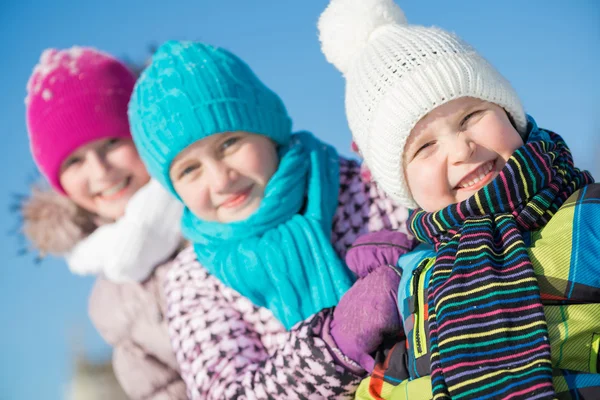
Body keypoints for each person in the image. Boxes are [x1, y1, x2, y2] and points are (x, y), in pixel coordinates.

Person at [318, 0, 600, 398]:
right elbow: (384, 385)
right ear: (404, 186)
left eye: (471, 117)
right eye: (425, 147)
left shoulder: (587, 217)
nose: (460, 149)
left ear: (509, 113)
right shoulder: (416, 277)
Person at [127, 40, 413, 398]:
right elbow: (228, 392)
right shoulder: (195, 279)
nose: (220, 179)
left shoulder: (366, 188)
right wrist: (333, 347)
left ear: (268, 131)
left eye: (229, 143)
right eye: (189, 170)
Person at [21, 46, 187, 399]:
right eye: (75, 161)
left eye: (112, 142)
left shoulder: (213, 205)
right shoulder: (110, 298)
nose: (100, 171)